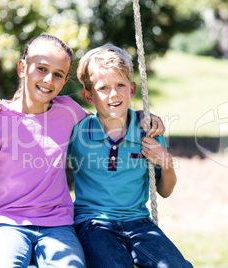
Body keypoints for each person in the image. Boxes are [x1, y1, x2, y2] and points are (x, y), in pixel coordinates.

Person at [0, 35, 164, 268]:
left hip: (58, 224)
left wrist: (142, 118)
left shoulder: (68, 111)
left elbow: (109, 118)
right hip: (8, 223)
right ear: (23, 68)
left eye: (58, 74)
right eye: (41, 69)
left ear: (64, 82)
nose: (48, 79)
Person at [67, 44, 193, 267]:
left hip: (139, 223)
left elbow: (164, 191)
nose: (114, 94)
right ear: (88, 95)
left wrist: (166, 162)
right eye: (103, 88)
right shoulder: (78, 132)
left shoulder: (149, 131)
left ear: (132, 90)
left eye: (120, 85)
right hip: (93, 224)